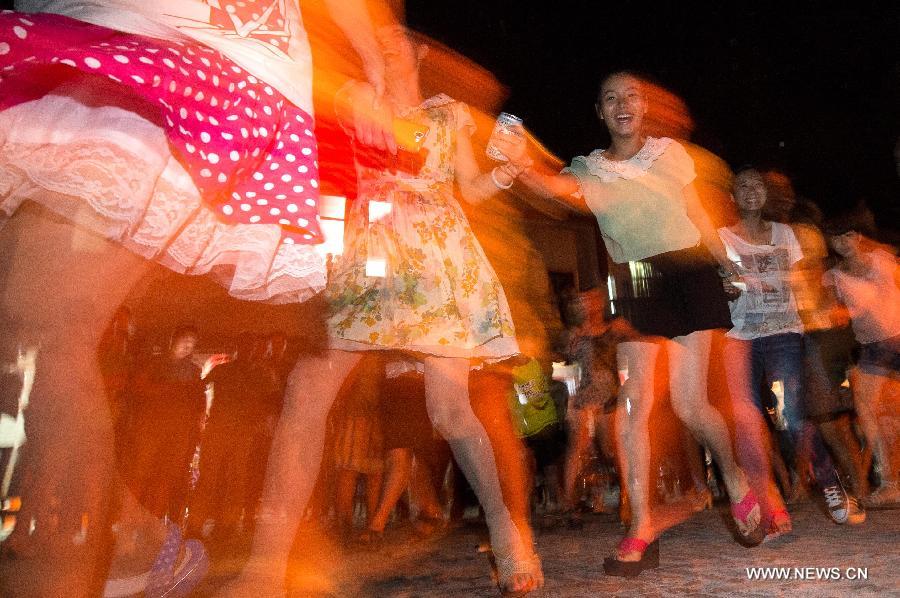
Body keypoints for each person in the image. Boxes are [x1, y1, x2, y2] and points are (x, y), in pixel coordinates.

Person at [0, 1, 395, 595]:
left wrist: (379, 63)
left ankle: (87, 565)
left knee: (46, 335)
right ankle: (137, 543)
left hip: (175, 52)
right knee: (29, 334)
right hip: (80, 34)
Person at [227, 24, 541, 596]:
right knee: (307, 393)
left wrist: (508, 169)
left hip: (436, 259)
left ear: (421, 50)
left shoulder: (450, 115)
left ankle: (509, 531)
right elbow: (328, 168)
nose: (385, 45)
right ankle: (265, 565)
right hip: (369, 250)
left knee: (448, 411)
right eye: (377, 39)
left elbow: (469, 188)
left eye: (397, 39)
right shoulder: (352, 99)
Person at [517, 70, 764, 576]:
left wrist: (727, 263)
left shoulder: (671, 154)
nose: (622, 104)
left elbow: (697, 212)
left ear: (643, 107)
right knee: (635, 404)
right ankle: (641, 527)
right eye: (610, 98)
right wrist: (514, 157)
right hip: (638, 279)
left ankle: (735, 481)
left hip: (690, 270)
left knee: (694, 404)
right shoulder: (590, 167)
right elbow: (553, 188)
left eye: (631, 96)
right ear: (600, 112)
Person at [719, 166, 864, 533]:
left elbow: (806, 282)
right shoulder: (721, 238)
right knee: (748, 425)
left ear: (766, 195)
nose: (752, 190)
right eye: (743, 185)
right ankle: (766, 505)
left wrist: (822, 310)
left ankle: (831, 486)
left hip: (784, 333)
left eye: (758, 185)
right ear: (733, 197)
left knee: (789, 416)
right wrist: (727, 289)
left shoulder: (787, 234)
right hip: (740, 338)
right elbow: (721, 287)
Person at [823, 211, 900, 507]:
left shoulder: (882, 259)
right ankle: (890, 483)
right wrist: (834, 315)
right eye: (837, 237)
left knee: (884, 412)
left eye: (848, 235)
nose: (843, 242)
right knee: (865, 406)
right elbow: (834, 313)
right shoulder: (834, 276)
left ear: (859, 236)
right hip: (872, 347)